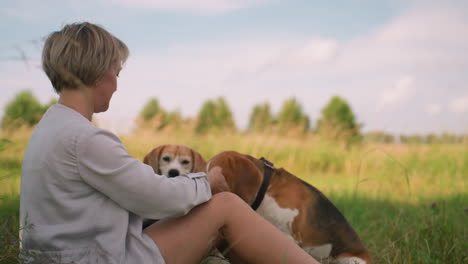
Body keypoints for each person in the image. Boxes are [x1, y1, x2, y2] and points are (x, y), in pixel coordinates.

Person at [19, 22, 320, 264]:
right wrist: (207, 182)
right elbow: (156, 197)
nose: (117, 84)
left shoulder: (50, 128)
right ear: (99, 73)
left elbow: (135, 196)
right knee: (225, 206)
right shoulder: (85, 138)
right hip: (98, 258)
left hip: (70, 254)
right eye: (116, 72)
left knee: (203, 210)